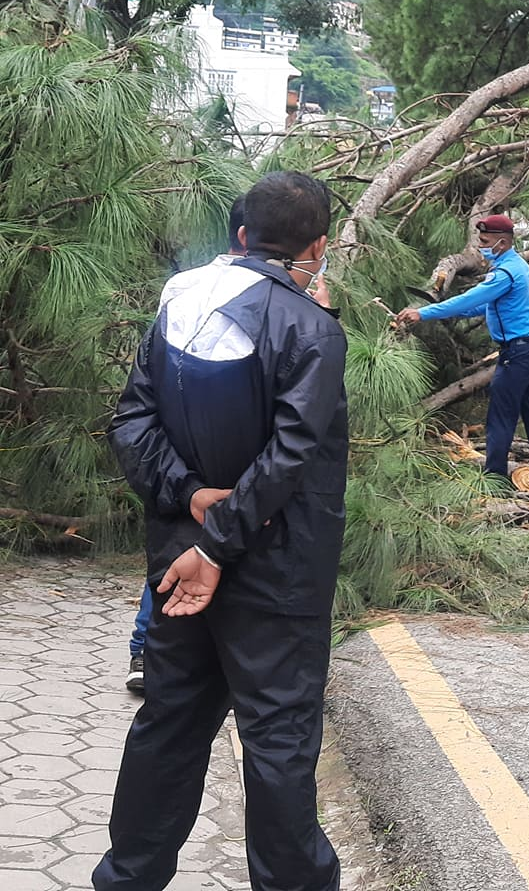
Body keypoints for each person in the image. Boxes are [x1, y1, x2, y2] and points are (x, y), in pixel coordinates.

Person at [96, 171, 349, 891]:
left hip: (182, 563)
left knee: (168, 727)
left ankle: (126, 878)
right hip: (278, 575)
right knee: (277, 745)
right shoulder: (312, 330)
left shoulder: (178, 309)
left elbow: (131, 420)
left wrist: (189, 498)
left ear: (241, 236)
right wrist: (220, 541)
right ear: (318, 248)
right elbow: (291, 456)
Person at [125, 198, 250, 695]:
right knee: (179, 545)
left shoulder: (186, 283)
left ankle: (151, 650)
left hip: (175, 446)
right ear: (245, 237)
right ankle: (147, 645)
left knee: (177, 545)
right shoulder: (196, 287)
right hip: (199, 449)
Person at [397, 213, 529, 478]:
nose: (481, 246)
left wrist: (424, 312)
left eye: (485, 241)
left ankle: (493, 478)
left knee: (500, 417)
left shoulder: (505, 273)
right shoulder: (514, 266)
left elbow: (469, 298)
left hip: (518, 353)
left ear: (503, 244)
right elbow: (484, 306)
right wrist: (449, 314)